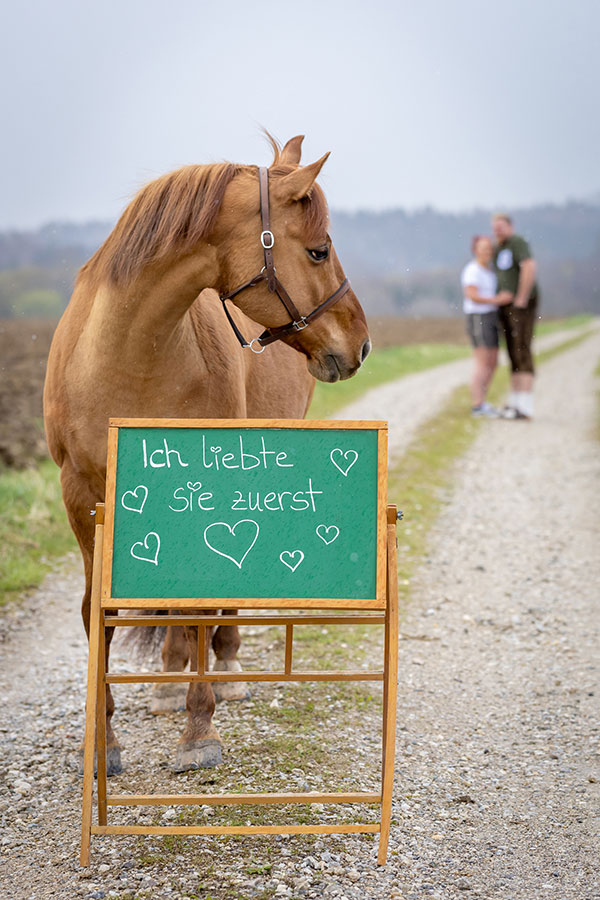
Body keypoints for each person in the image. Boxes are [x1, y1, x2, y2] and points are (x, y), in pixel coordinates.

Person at [492, 213, 539, 419]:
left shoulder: (517, 243)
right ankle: (515, 402)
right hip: (505, 306)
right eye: (495, 227)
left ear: (510, 226)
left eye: (501, 226)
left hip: (521, 304)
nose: (498, 230)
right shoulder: (499, 248)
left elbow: (529, 266)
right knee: (512, 351)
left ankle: (526, 405)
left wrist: (521, 297)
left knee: (522, 349)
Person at [461, 235, 513, 417]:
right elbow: (471, 295)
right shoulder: (472, 270)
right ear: (475, 250)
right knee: (482, 363)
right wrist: (496, 300)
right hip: (478, 317)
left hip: (491, 316)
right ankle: (477, 405)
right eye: (483, 248)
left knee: (493, 361)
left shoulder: (490, 271)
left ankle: (482, 401)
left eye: (489, 249)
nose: (487, 252)